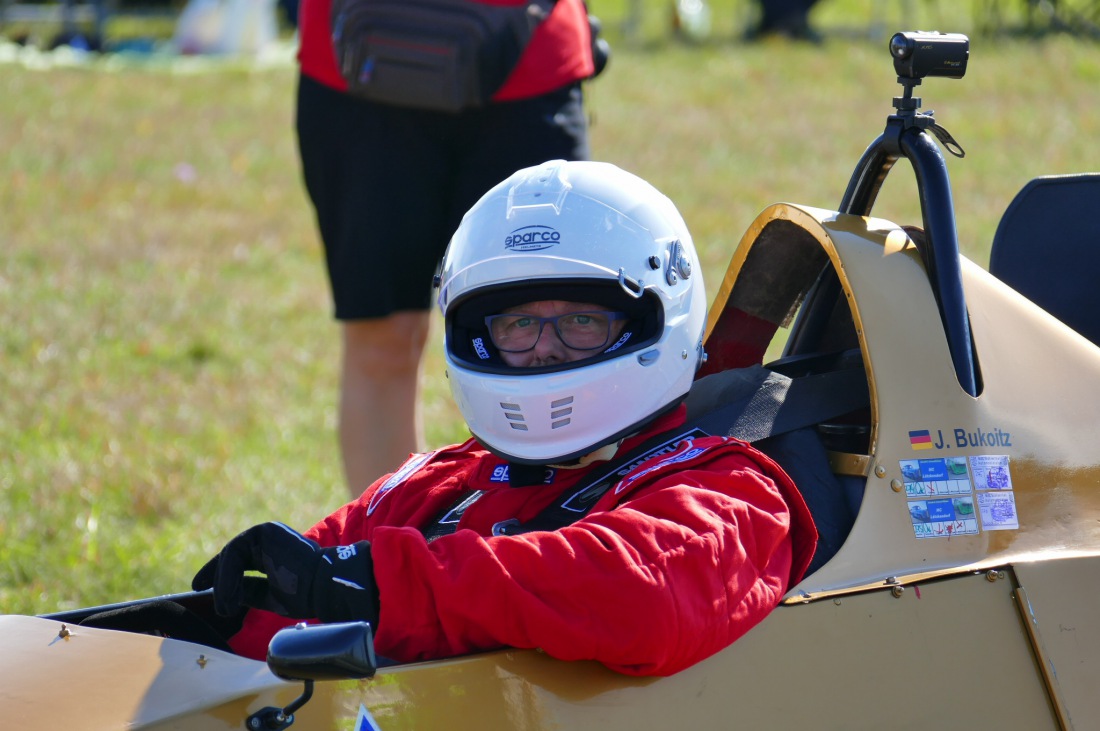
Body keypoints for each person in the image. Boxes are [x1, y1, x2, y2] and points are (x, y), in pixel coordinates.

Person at [193, 160, 818, 677]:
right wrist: (213, 617)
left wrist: (389, 588)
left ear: (653, 321)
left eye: (581, 321)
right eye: (517, 323)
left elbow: (641, 592)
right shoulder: (438, 482)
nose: (544, 347)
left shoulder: (731, 492)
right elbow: (299, 591)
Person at [294, 0, 600, 498]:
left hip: (528, 63)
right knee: (381, 339)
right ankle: (384, 557)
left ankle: (542, 555)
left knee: (549, 334)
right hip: (358, 62)